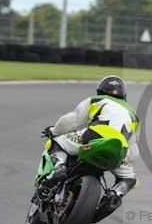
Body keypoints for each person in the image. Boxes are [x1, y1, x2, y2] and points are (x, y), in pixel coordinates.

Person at [41, 76, 140, 210]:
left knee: (57, 142)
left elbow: (72, 120)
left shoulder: (96, 100)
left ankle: (59, 168)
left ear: (100, 90)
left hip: (93, 136)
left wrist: (54, 131)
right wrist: (126, 159)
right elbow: (134, 150)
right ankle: (116, 193)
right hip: (119, 147)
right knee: (129, 179)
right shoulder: (133, 115)